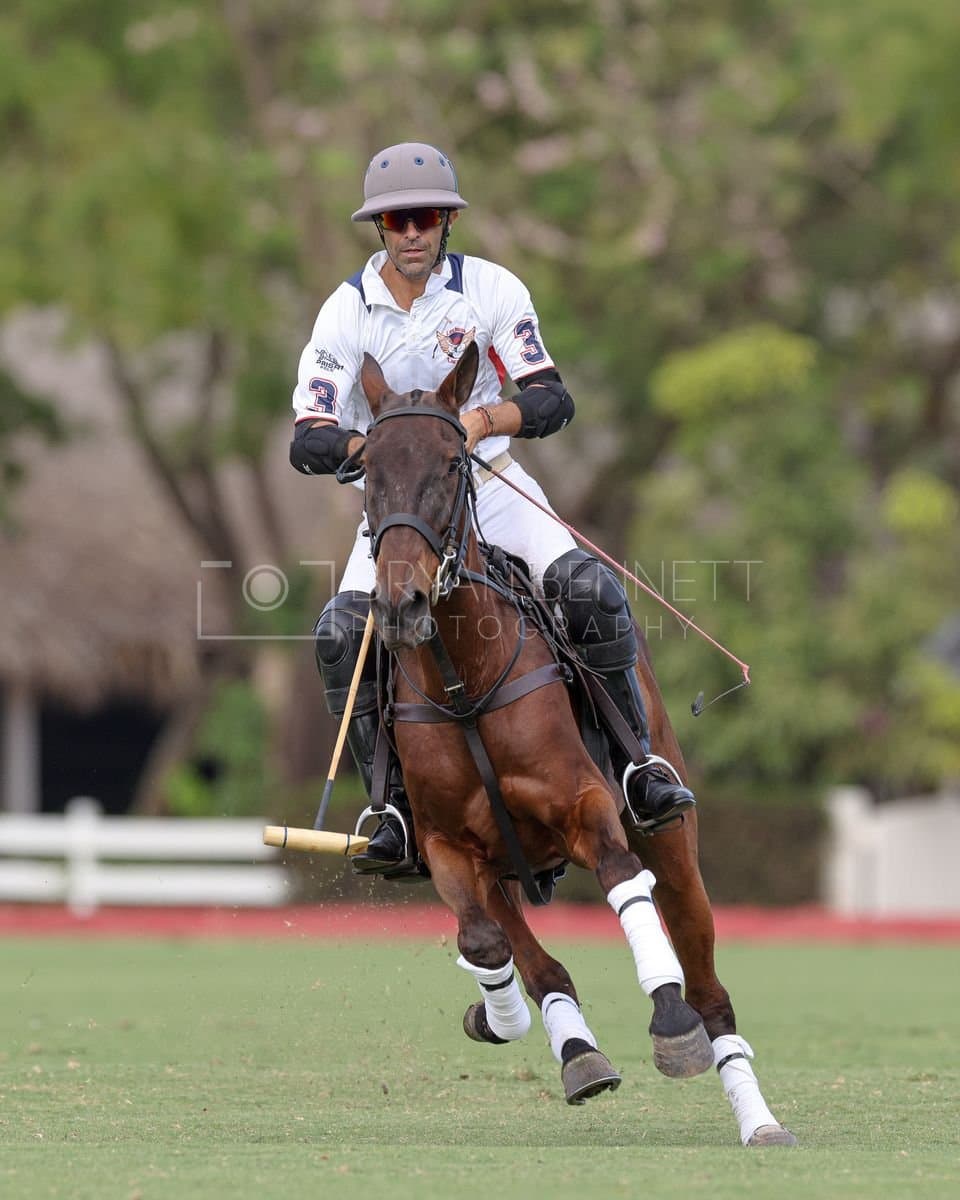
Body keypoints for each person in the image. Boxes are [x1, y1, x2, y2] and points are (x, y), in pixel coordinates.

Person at [289, 142, 694, 876]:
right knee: (339, 636)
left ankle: (639, 766)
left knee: (592, 592)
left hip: (495, 485)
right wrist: (390, 452)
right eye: (397, 220)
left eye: (426, 217)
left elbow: (549, 398)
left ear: (447, 220)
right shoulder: (345, 312)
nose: (413, 232)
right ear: (379, 228)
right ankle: (392, 809)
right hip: (399, 513)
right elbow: (308, 436)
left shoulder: (490, 290)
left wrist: (478, 422)